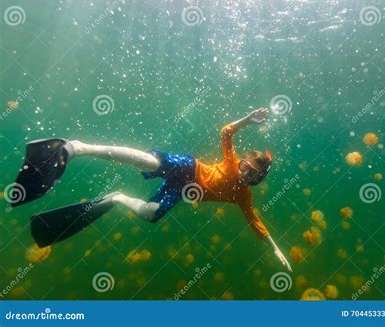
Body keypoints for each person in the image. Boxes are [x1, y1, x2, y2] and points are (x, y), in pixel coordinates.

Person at [13, 108, 292, 272]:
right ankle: (76, 147)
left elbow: (256, 222)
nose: (244, 175)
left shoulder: (243, 197)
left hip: (182, 191)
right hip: (188, 168)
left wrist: (275, 248)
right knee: (149, 161)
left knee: (150, 214)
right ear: (241, 162)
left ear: (257, 181)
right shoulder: (231, 163)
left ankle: (117, 198)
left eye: (252, 176)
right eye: (245, 168)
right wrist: (247, 119)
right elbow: (226, 132)